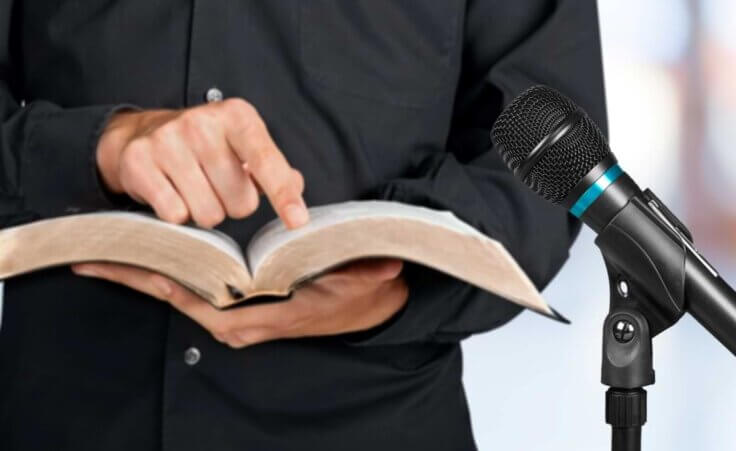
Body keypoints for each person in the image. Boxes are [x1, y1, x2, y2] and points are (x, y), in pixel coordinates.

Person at [0, 1, 607, 450]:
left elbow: (554, 152)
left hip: (375, 423)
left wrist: (397, 291)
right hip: (68, 419)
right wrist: (100, 147)